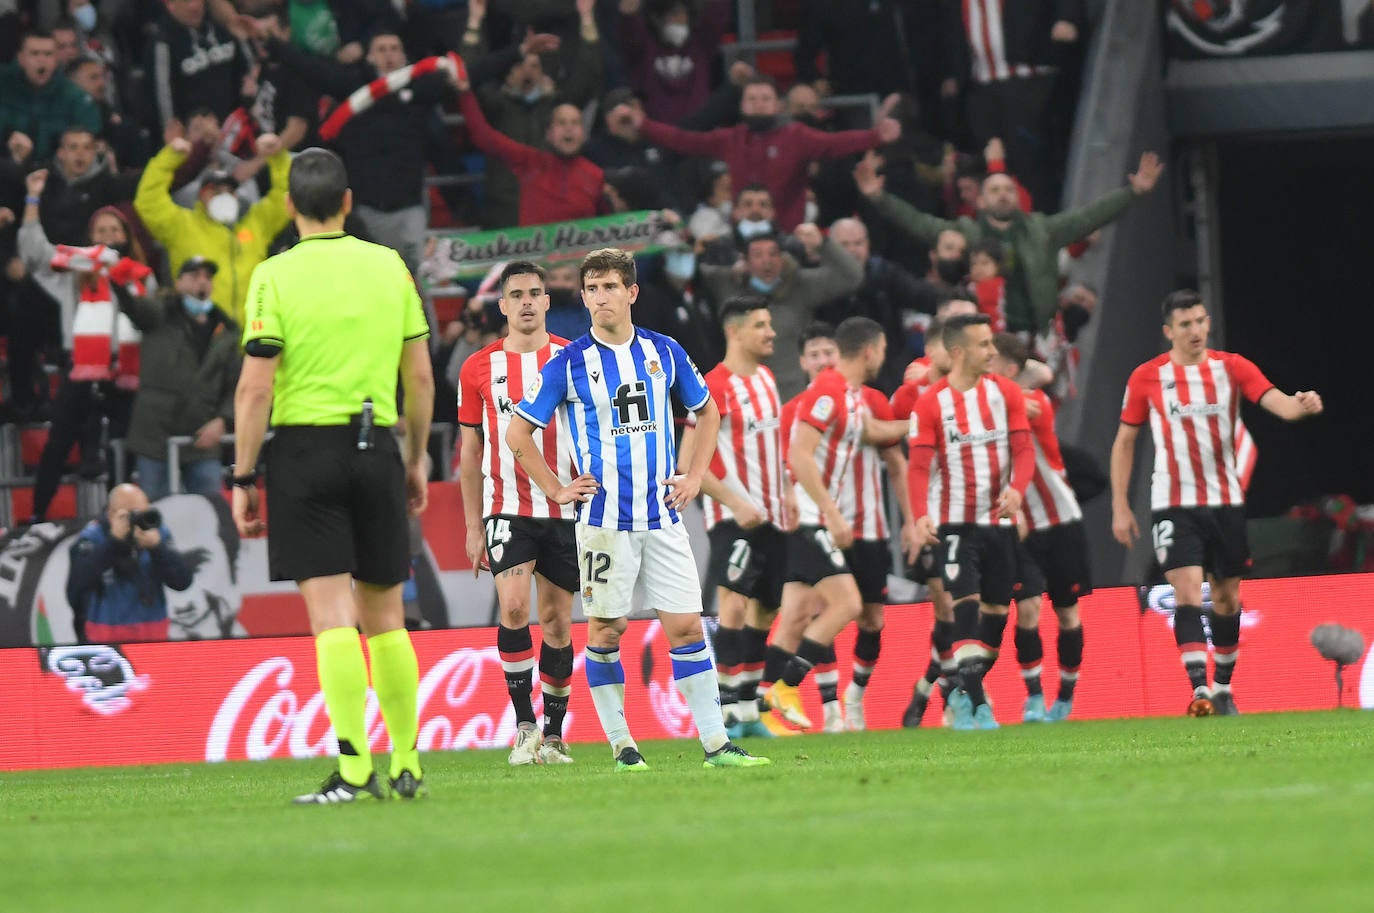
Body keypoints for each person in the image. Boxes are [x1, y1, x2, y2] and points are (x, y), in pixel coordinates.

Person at [507, 247, 769, 771]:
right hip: (603, 524)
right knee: (606, 632)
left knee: (689, 629)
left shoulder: (665, 351)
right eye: (592, 289)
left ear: (632, 292)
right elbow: (518, 433)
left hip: (663, 516)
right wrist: (558, 490)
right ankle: (623, 745)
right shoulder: (569, 362)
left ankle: (717, 745)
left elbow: (708, 411)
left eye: (610, 286)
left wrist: (694, 476)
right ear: (581, 298)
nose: (601, 297)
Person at [231, 147, 435, 802]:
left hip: (304, 452)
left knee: (332, 619)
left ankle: (353, 770)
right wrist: (416, 456)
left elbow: (255, 388)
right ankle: (408, 762)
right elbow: (422, 376)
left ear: (290, 207)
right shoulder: (390, 266)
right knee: (388, 618)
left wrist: (242, 476)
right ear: (348, 203)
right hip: (377, 444)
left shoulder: (273, 274)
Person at [1110, 290, 1323, 717]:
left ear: (1208, 323)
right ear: (1169, 331)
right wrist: (1120, 504)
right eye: (1185, 324)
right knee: (1187, 590)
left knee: (1227, 597)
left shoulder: (1232, 368)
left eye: (1200, 321)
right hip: (1173, 502)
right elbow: (1126, 440)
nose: (1195, 331)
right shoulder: (1146, 377)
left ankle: (1223, 687)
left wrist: (1302, 407)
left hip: (1224, 501)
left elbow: (1277, 402)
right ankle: (1199, 689)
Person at [457, 260, 579, 766]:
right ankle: (523, 724)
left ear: (548, 301)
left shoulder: (574, 359)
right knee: (512, 608)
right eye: (517, 295)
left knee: (556, 621)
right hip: (505, 505)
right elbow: (469, 451)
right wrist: (471, 527)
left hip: (566, 507)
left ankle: (553, 734)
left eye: (535, 293)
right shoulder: (478, 367)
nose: (527, 302)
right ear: (502, 305)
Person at [854, 148, 1163, 335]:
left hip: (1037, 335)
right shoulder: (966, 232)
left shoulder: (1043, 228)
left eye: (1008, 190)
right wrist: (879, 198)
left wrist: (1132, 192)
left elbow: (1089, 217)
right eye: (995, 190)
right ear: (982, 202)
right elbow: (918, 224)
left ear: (1017, 197)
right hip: (987, 335)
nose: (1003, 194)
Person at [764, 316, 898, 729]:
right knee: (849, 604)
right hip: (810, 519)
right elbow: (799, 456)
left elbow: (874, 431)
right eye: (883, 351)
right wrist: (833, 513)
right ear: (870, 350)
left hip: (813, 516)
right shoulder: (828, 392)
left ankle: (762, 714)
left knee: (794, 617)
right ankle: (784, 687)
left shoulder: (851, 396)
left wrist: (931, 419)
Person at [908, 313, 1034, 730]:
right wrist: (920, 514)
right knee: (963, 607)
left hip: (998, 523)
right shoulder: (931, 402)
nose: (992, 352)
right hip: (955, 524)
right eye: (984, 345)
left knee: (996, 619)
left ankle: (959, 689)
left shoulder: (1008, 394)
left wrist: (1017, 489)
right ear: (959, 352)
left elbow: (1024, 450)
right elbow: (919, 466)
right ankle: (978, 705)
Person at [684, 296, 796, 739]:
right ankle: (726, 707)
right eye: (761, 325)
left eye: (769, 323)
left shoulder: (767, 379)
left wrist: (787, 490)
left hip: (774, 516)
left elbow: (776, 447)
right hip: (732, 516)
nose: (771, 332)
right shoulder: (714, 385)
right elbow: (687, 461)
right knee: (732, 601)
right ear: (735, 332)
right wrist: (734, 502)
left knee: (767, 608)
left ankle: (747, 707)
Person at [619, 74, 900, 231]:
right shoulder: (732, 137)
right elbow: (684, 140)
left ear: (778, 105)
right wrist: (644, 125)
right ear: (742, 106)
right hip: (742, 233)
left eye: (765, 98)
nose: (758, 104)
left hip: (788, 233)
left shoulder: (796, 136)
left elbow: (835, 143)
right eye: (752, 99)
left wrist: (875, 136)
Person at [991, 333, 1087, 723]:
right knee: (1027, 609)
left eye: (990, 358)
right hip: (1020, 525)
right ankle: (1033, 697)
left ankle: (1065, 697)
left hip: (1060, 521)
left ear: (1009, 369)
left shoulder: (1034, 404)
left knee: (1067, 613)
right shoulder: (991, 399)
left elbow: (1038, 378)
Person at [134, 132, 289, 324]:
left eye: (229, 191)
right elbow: (149, 201)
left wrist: (278, 158)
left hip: (250, 338)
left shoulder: (255, 224)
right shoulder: (181, 226)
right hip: (199, 336)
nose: (223, 197)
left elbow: (285, 198)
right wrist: (170, 158)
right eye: (214, 191)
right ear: (200, 196)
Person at [697, 225, 862, 399]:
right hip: (745, 393)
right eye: (758, 255)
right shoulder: (728, 283)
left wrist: (823, 243)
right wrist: (700, 250)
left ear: (783, 259)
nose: (767, 261)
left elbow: (852, 277)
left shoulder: (800, 285)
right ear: (745, 261)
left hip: (793, 392)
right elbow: (691, 274)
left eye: (773, 254)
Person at [123, 256, 241, 501]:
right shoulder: (159, 314)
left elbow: (236, 385)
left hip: (202, 439)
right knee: (156, 512)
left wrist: (223, 421)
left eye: (207, 277)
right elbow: (135, 307)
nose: (202, 283)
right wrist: (120, 284)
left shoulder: (227, 330)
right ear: (179, 283)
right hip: (155, 438)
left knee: (209, 512)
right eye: (194, 276)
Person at [893, 315, 960, 727]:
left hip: (975, 512)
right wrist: (911, 517)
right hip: (933, 514)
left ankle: (926, 685)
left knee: (972, 611)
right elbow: (894, 451)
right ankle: (956, 701)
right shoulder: (911, 393)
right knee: (949, 609)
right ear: (931, 350)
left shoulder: (979, 389)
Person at [66, 483, 193, 644]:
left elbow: (182, 582)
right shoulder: (92, 537)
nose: (138, 521)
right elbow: (76, 588)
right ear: (112, 514)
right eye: (132, 515)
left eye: (144, 513)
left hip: (153, 636)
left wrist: (158, 548)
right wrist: (114, 543)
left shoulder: (156, 532)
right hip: (106, 639)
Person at [0, 29, 102, 164]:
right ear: (21, 58)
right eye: (34, 54)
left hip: (57, 176)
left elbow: (91, 139)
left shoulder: (73, 96)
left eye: (48, 54)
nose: (41, 60)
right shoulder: (4, 85)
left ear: (56, 59)